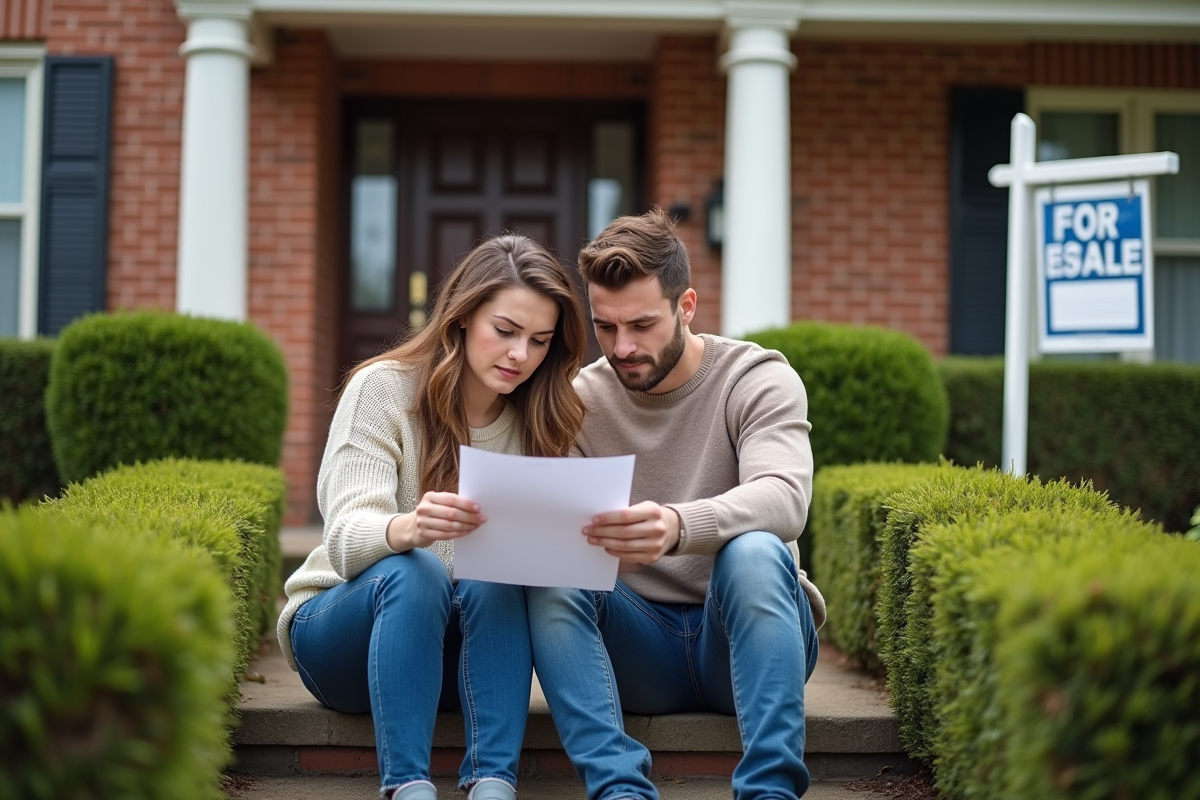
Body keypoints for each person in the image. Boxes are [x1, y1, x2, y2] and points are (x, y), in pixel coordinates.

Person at [526, 208, 827, 800]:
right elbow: (559, 540)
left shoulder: (755, 377)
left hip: (743, 638)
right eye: (605, 327)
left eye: (642, 324)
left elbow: (786, 499)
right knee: (551, 572)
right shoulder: (580, 402)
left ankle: (770, 792)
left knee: (757, 552)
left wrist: (677, 525)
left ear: (686, 306)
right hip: (638, 649)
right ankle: (619, 790)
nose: (622, 346)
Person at [277, 234, 587, 800]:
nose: (521, 354)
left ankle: (493, 782)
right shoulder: (383, 390)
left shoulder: (538, 421)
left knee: (500, 572)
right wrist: (407, 528)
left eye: (540, 341)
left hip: (458, 659)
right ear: (462, 318)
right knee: (413, 570)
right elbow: (345, 540)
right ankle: (408, 786)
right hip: (344, 639)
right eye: (506, 331)